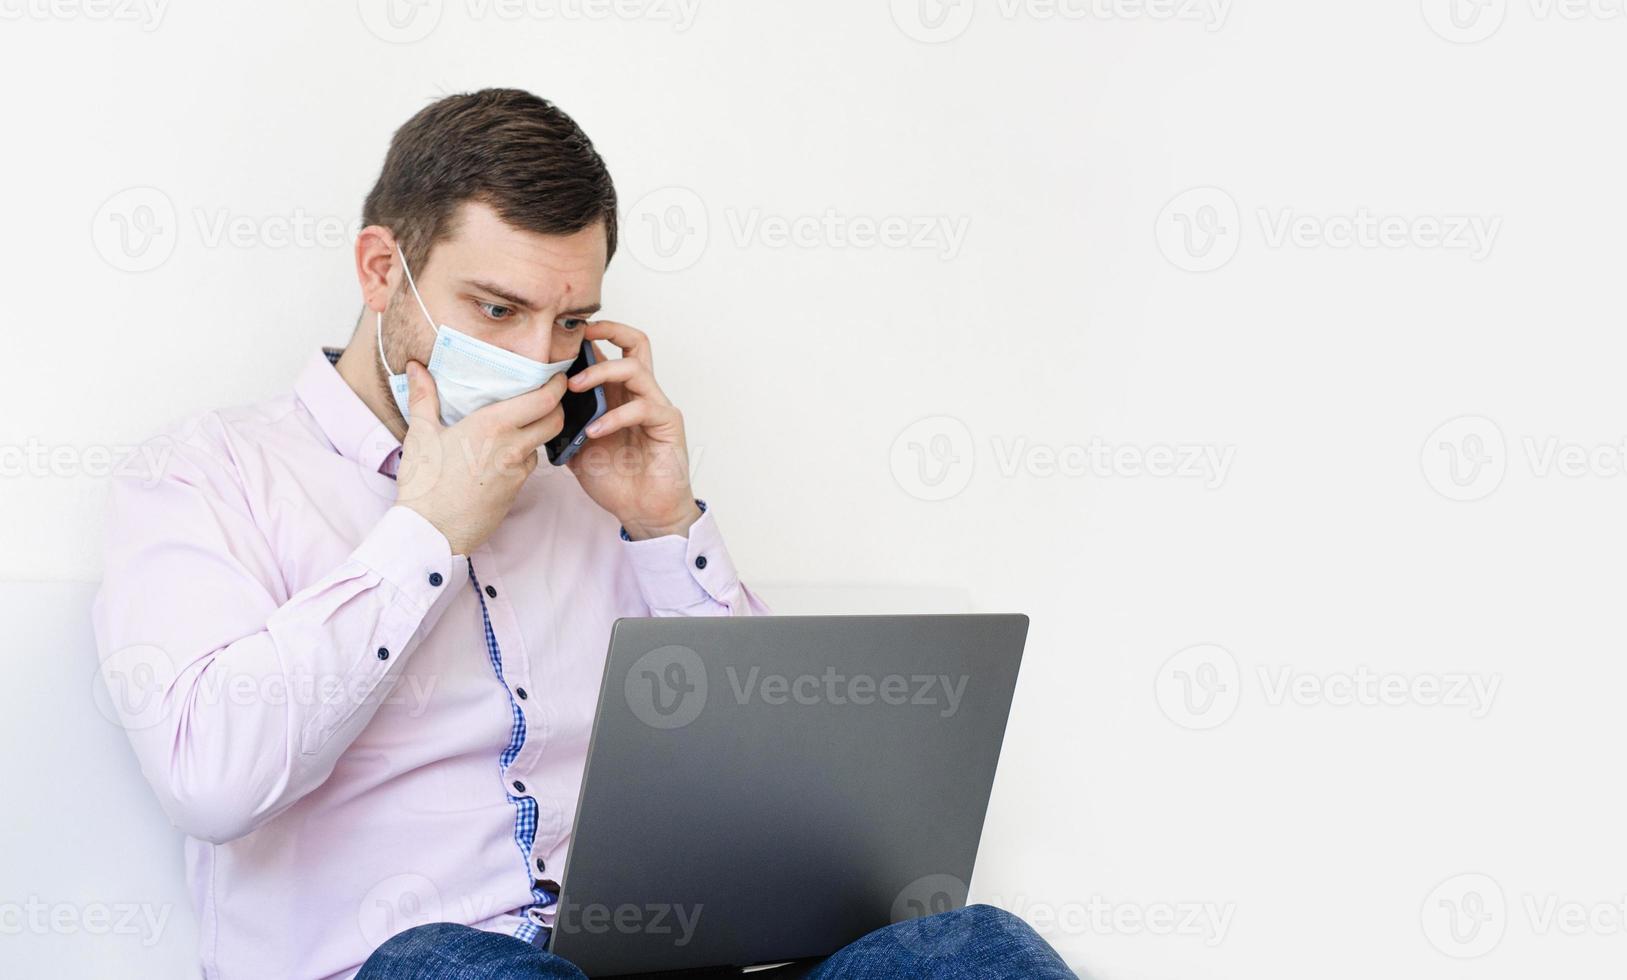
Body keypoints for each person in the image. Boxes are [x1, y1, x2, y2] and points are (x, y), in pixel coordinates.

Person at [93, 88, 1075, 979]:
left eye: (570, 322)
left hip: (658, 964)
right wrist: (426, 533)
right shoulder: (207, 472)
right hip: (411, 969)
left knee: (975, 948)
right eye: (496, 308)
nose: (534, 361)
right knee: (452, 964)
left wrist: (663, 525)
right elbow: (209, 776)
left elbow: (786, 804)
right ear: (383, 269)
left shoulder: (587, 493)